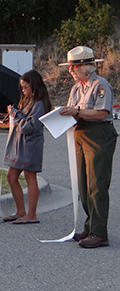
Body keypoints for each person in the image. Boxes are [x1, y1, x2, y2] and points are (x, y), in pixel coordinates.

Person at [59, 46, 117, 248]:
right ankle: (91, 225)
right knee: (82, 185)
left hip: (98, 133)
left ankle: (100, 232)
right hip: (80, 133)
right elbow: (73, 111)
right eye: (70, 67)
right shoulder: (77, 88)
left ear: (86, 67)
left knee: (97, 184)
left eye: (73, 66)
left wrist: (75, 111)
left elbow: (102, 113)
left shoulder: (100, 85)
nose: (70, 71)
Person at [3, 70, 52, 224]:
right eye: (22, 88)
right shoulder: (28, 101)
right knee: (11, 177)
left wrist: (16, 114)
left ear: (35, 86)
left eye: (25, 87)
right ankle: (20, 211)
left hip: (30, 146)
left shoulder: (39, 104)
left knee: (30, 177)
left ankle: (31, 215)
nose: (23, 90)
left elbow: (29, 126)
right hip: (20, 145)